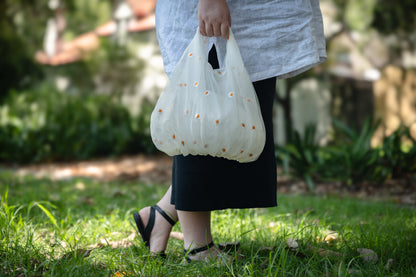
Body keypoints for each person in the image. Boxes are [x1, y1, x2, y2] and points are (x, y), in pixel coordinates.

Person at [133, 0, 326, 262]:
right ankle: (197, 246)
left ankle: (160, 215)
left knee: (229, 126)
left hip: (249, 13)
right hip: (216, 10)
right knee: (202, 121)